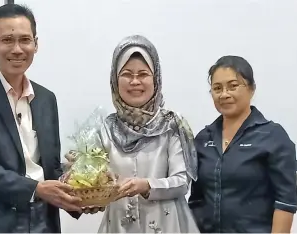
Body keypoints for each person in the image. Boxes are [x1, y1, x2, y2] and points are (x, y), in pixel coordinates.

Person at [0, 4, 82, 233]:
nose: (18, 49)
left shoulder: (46, 98)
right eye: (8, 39)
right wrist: (35, 189)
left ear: (36, 44)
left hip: (43, 222)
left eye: (25, 40)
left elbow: (48, 168)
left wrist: (82, 193)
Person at [66, 35, 200, 233]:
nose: (135, 81)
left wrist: (146, 185)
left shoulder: (172, 124)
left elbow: (181, 182)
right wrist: (81, 173)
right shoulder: (105, 128)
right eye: (127, 74)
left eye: (143, 74)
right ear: (115, 79)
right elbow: (93, 180)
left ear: (156, 79)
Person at [188, 55, 297, 233]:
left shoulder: (272, 136)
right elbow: (196, 200)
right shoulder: (203, 138)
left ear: (251, 89)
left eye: (233, 86)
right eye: (217, 88)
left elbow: (285, 203)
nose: (224, 94)